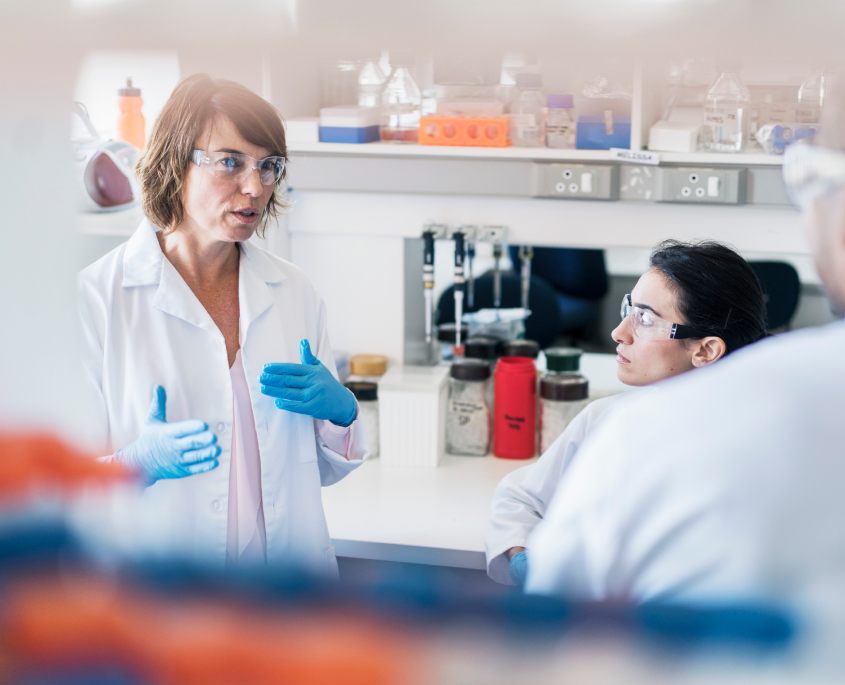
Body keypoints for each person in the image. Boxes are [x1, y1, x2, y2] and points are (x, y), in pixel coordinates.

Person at [525, 83, 845, 615]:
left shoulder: (658, 436)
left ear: (706, 349)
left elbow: (557, 622)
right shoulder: (623, 424)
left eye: (809, 178)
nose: (618, 334)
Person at [78, 75, 368, 575]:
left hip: (284, 593)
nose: (254, 187)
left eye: (268, 166)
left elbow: (316, 471)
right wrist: (137, 463)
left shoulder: (294, 292)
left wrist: (342, 415)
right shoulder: (96, 300)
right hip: (160, 598)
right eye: (230, 162)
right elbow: (55, 489)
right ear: (174, 160)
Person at [486, 240, 768, 585]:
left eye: (645, 319)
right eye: (629, 310)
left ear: (706, 349)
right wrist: (523, 560)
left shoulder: (761, 450)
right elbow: (520, 499)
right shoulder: (607, 418)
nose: (618, 333)